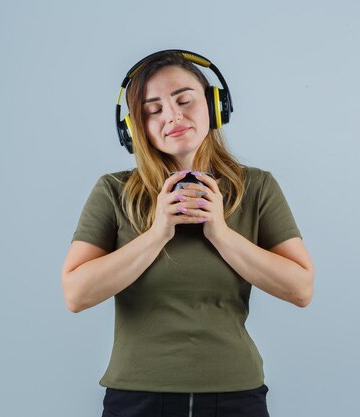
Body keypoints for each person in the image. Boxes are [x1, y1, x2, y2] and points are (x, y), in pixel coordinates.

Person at [60, 50, 314, 417]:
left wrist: (220, 232)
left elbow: (301, 288)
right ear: (135, 128)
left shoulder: (257, 187)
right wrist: (158, 232)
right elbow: (76, 294)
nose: (173, 116)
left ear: (213, 105)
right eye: (153, 110)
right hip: (137, 396)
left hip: (236, 394)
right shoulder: (112, 191)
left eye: (184, 100)